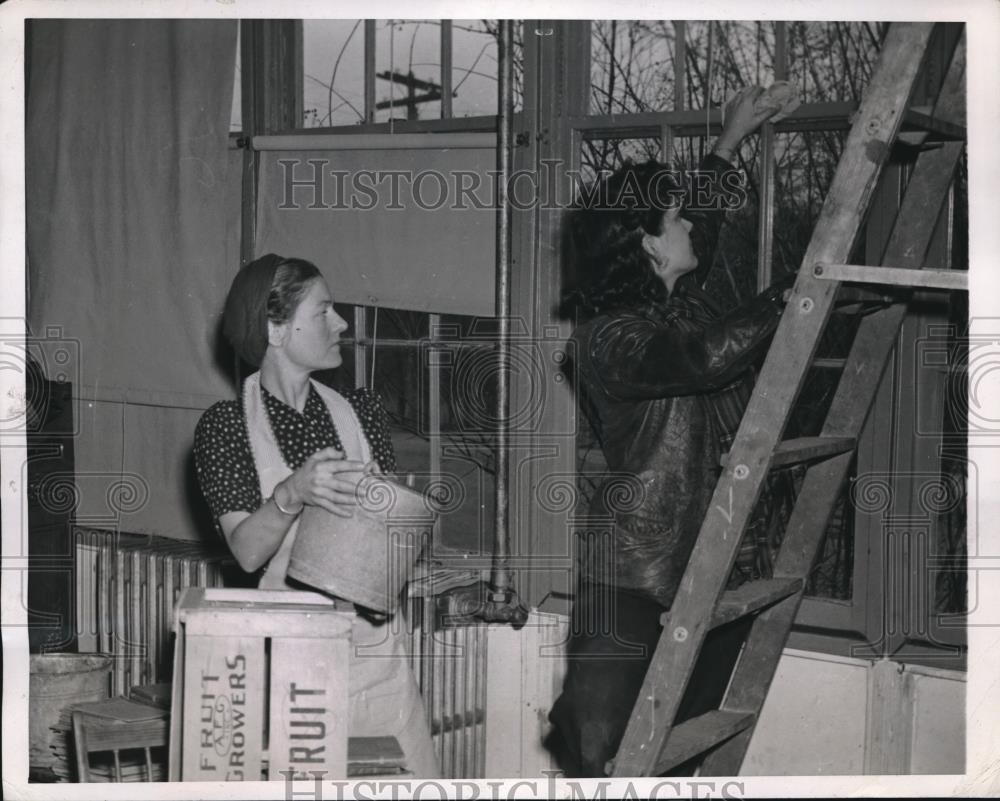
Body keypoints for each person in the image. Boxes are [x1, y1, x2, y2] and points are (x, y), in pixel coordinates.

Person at [548, 87, 796, 777]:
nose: (689, 222)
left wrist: (729, 140)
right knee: (603, 751)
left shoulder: (670, 301)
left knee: (685, 750)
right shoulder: (608, 338)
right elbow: (698, 358)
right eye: (674, 216)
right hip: (631, 577)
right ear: (650, 244)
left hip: (706, 567)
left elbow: (703, 229)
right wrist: (795, 292)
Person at [194, 254, 439, 778]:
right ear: (274, 328)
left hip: (377, 656)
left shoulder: (361, 411)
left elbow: (389, 545)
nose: (342, 322)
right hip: (294, 663)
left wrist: (385, 506)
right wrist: (293, 491)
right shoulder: (226, 427)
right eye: (325, 309)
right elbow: (247, 551)